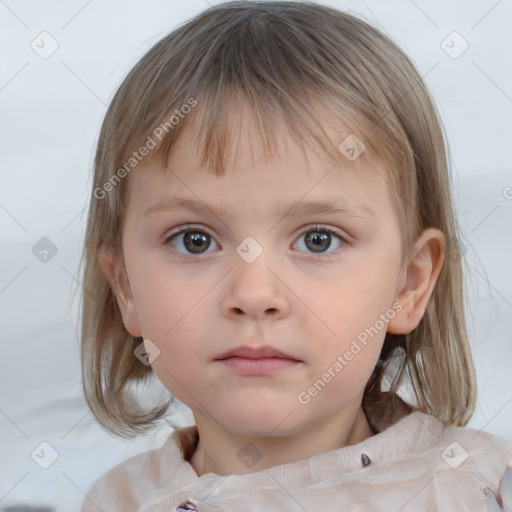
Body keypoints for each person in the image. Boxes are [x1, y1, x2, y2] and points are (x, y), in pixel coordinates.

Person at [79, 1, 512, 510]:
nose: (254, 295)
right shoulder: (117, 501)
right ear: (126, 287)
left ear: (408, 284)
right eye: (195, 240)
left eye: (318, 240)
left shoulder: (479, 490)